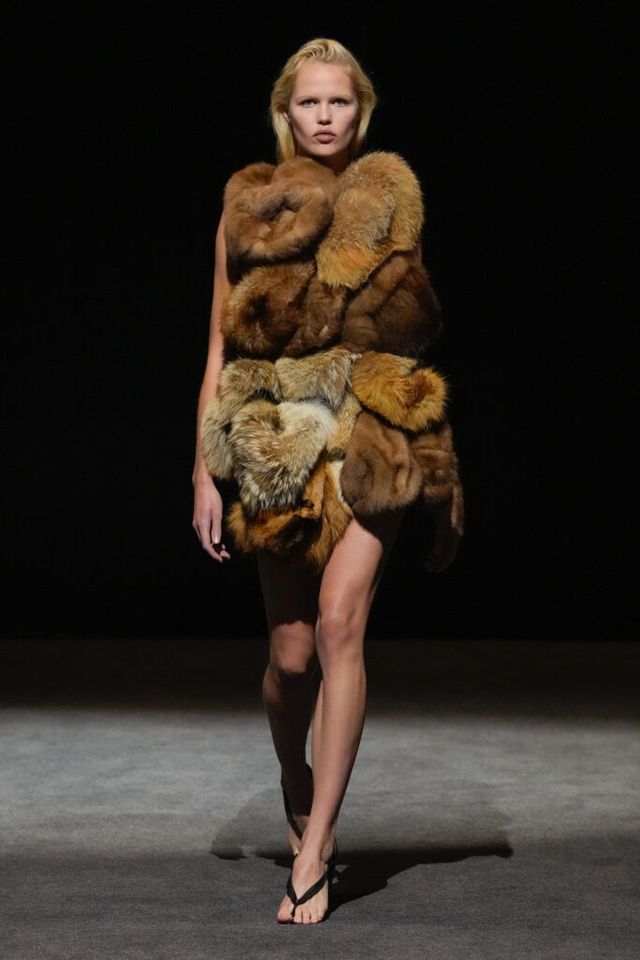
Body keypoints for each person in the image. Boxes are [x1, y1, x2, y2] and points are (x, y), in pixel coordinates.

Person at [192, 38, 463, 925]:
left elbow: (413, 341)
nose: (323, 116)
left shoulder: (389, 206)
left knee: (343, 623)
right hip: (281, 438)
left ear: (360, 112)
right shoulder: (248, 211)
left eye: (338, 102)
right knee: (290, 657)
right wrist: (204, 470)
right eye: (308, 102)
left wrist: (443, 473)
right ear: (285, 112)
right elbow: (220, 347)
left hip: (372, 432)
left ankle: (315, 851)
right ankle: (293, 777)